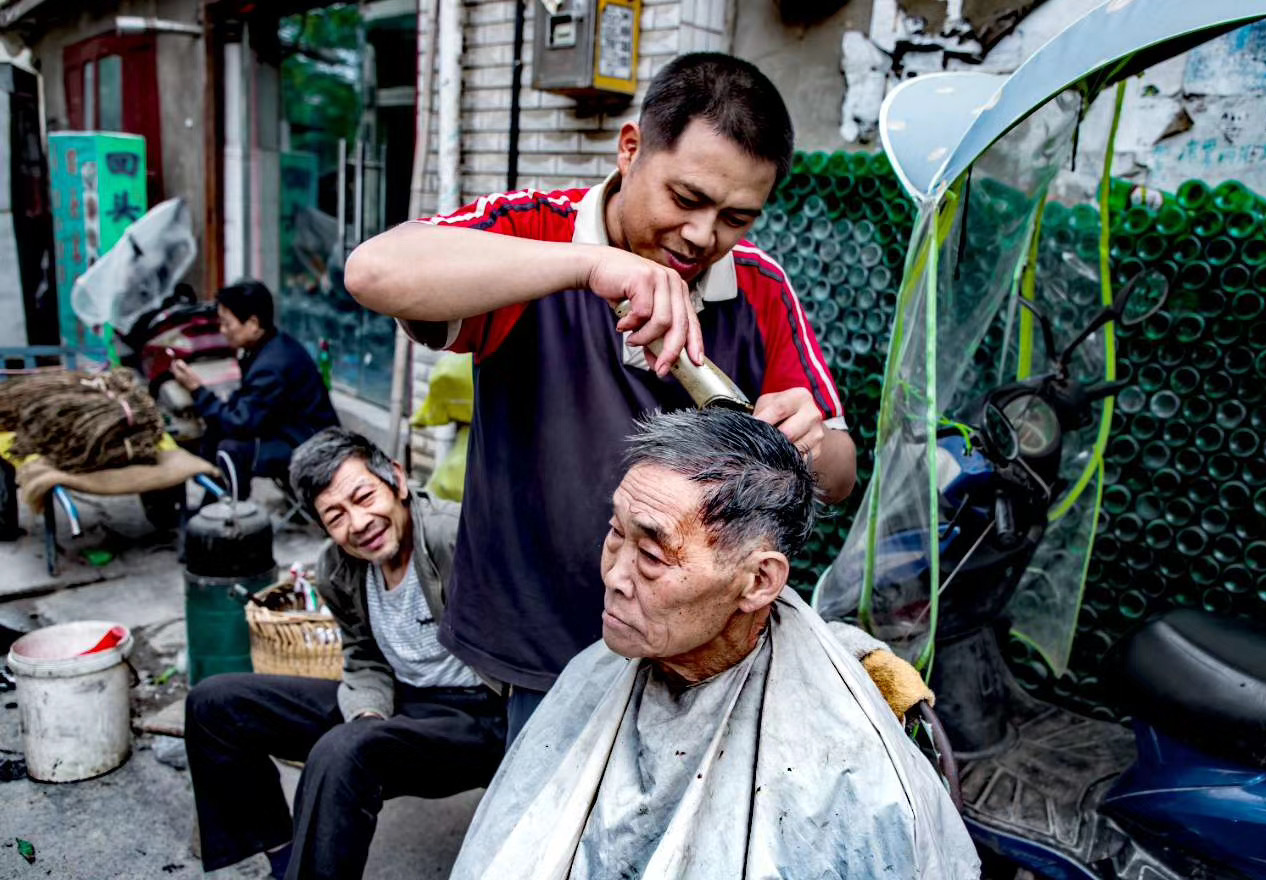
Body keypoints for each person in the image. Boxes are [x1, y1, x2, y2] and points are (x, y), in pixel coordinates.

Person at [344, 53, 858, 737]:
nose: (704, 236)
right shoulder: (535, 230)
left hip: (691, 651)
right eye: (686, 199)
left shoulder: (761, 287)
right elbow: (374, 271)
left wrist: (810, 443)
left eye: (737, 217)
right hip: (538, 644)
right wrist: (590, 266)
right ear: (630, 148)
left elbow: (841, 476)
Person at [447, 409, 979, 879]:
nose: (614, 575)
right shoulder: (595, 672)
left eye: (651, 557)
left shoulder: (841, 769)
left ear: (759, 581)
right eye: (615, 533)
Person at [184, 428, 506, 880]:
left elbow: (530, 626)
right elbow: (363, 656)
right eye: (335, 516)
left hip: (481, 717)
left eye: (364, 497)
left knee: (341, 750)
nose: (358, 523)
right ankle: (285, 860)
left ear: (396, 480)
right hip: (404, 702)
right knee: (215, 704)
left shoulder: (454, 536)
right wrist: (368, 714)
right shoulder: (336, 568)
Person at [170, 280, 338, 500]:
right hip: (288, 431)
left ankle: (234, 513)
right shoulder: (266, 346)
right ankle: (211, 507)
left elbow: (241, 423)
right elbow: (245, 408)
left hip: (311, 444)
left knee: (231, 449)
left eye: (227, 324)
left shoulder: (271, 365)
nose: (222, 331)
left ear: (253, 324)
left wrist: (197, 390)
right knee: (215, 431)